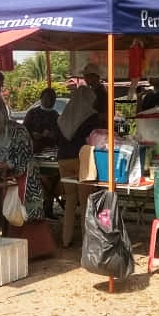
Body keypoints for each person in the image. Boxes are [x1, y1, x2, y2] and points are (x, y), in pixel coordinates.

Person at [0, 99, 43, 221]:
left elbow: (22, 160)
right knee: (10, 218)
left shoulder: (18, 131)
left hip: (26, 180)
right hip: (6, 181)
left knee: (25, 218)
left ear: (2, 119)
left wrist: (2, 165)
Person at [56, 86, 99, 248]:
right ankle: (87, 241)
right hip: (82, 159)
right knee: (85, 202)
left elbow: (57, 139)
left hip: (63, 159)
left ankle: (66, 239)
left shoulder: (64, 115)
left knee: (70, 200)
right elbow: (95, 139)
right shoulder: (91, 116)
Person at [23, 88, 61, 218]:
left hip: (50, 152)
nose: (48, 100)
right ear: (41, 98)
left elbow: (59, 134)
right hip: (34, 151)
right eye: (46, 98)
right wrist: (33, 135)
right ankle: (37, 207)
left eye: (51, 98)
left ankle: (48, 208)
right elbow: (24, 130)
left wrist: (50, 135)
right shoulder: (32, 113)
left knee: (52, 179)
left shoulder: (56, 115)